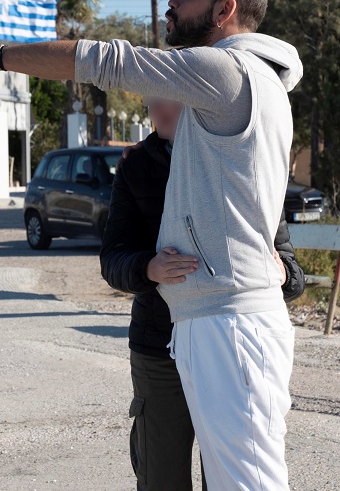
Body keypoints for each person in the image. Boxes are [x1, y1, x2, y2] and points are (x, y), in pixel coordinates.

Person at [0, 0, 303, 489]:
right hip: (214, 318)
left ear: (223, 10)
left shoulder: (227, 69)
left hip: (229, 322)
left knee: (249, 483)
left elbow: (101, 61)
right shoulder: (250, 80)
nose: (172, 0)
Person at [102, 96, 305, 490]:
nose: (160, 111)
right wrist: (148, 268)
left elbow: (292, 273)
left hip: (229, 344)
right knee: (160, 478)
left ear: (196, 99)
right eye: (152, 101)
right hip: (159, 348)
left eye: (172, 100)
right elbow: (112, 258)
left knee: (229, 475)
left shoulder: (243, 158)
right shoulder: (136, 165)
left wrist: (281, 273)